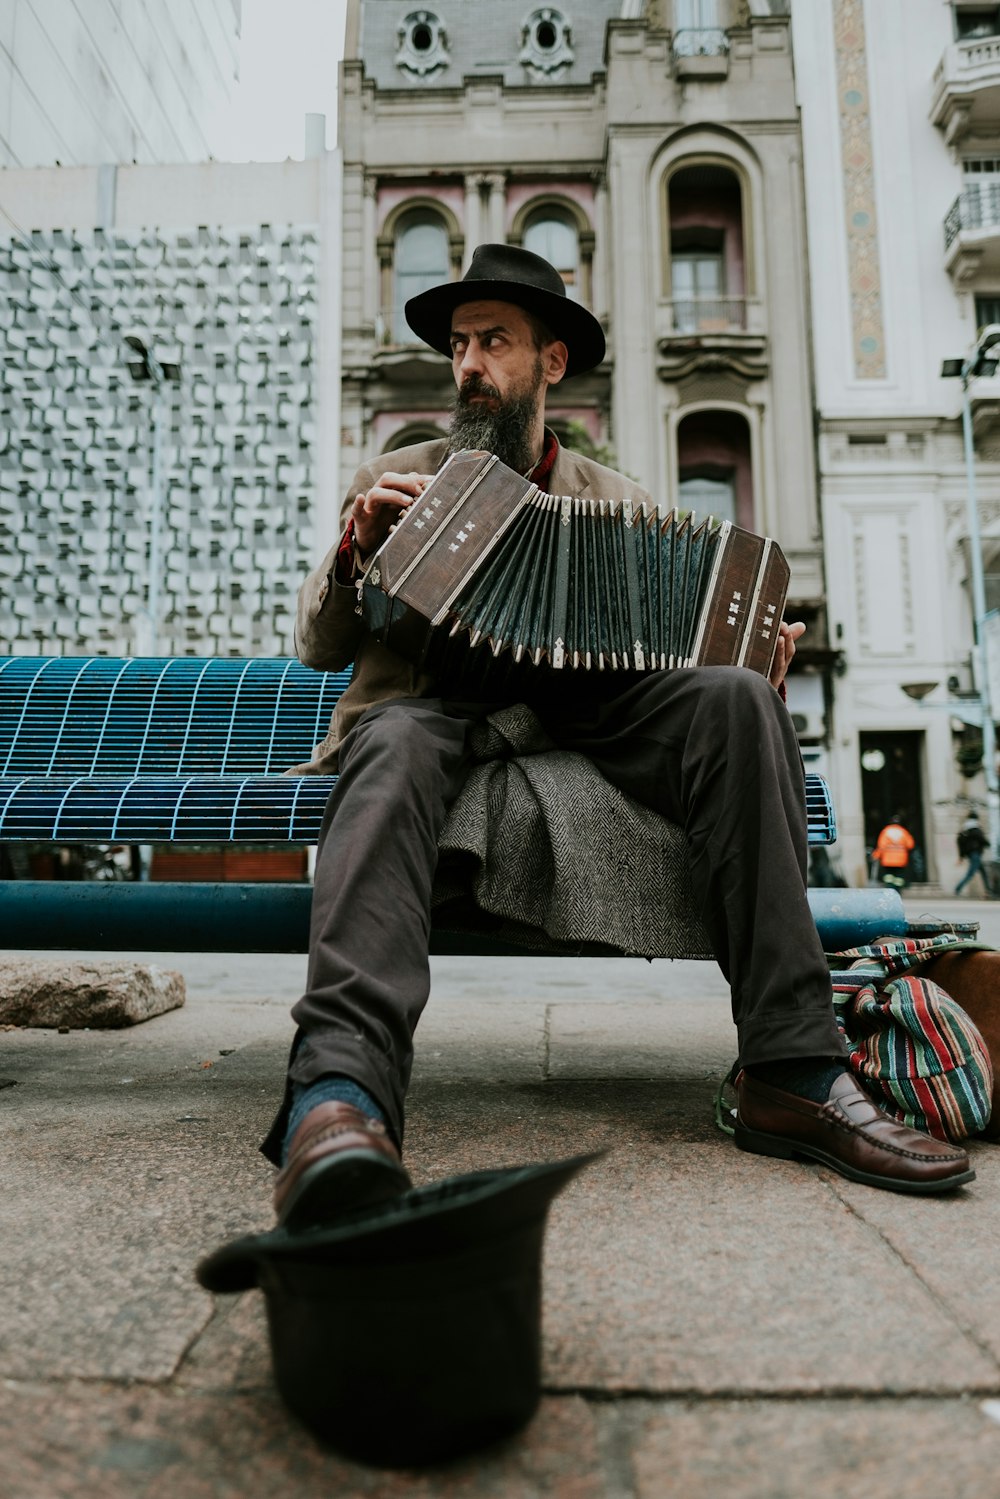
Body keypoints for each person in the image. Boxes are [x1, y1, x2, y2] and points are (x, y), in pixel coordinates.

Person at [260, 244, 972, 1219]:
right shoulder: (396, 477)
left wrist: (747, 665)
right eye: (459, 343)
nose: (468, 363)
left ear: (550, 364)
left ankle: (792, 1067)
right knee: (386, 745)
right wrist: (354, 554)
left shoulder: (617, 503)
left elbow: (669, 658)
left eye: (494, 341)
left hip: (581, 711)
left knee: (736, 701)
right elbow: (316, 640)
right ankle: (338, 1098)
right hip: (434, 705)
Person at [871, 815, 916, 891]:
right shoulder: (903, 832)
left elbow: (881, 846)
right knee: (899, 877)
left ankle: (890, 889)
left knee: (888, 876)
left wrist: (876, 855)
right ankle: (897, 891)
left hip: (888, 860)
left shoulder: (886, 831)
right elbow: (910, 845)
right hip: (901, 860)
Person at [956, 810, 991, 897]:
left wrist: (961, 856)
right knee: (970, 874)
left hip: (971, 854)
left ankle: (988, 890)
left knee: (983, 872)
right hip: (976, 854)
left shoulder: (965, 830)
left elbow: (960, 842)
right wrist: (987, 844)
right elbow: (983, 840)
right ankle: (958, 888)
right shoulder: (975, 829)